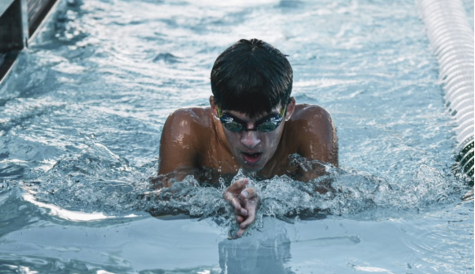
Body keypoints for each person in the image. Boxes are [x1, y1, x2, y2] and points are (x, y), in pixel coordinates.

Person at [154, 38, 338, 238]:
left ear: (289, 109)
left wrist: (266, 202)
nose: (251, 141)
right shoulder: (187, 129)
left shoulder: (311, 126)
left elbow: (326, 206)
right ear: (215, 108)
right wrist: (219, 204)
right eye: (234, 124)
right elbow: (164, 209)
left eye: (267, 124)